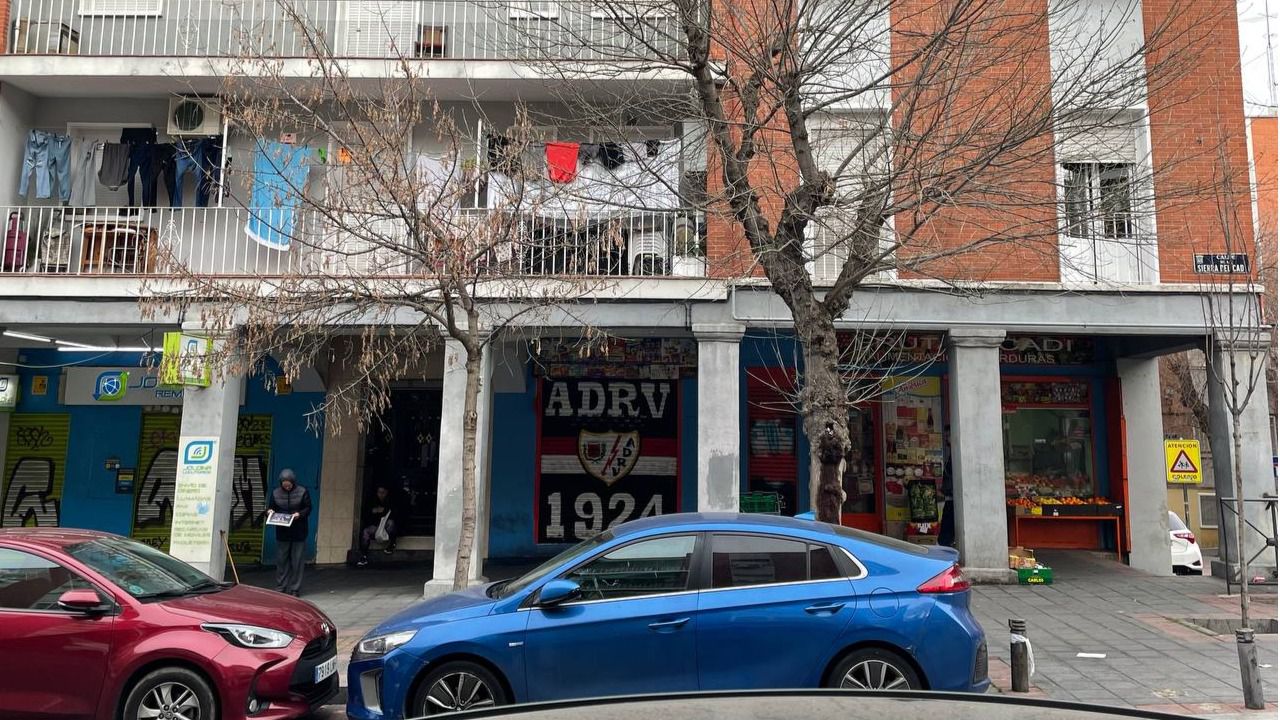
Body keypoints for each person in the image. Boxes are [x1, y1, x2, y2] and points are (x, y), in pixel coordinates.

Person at [268, 468, 311, 596]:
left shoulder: (302, 491)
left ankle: (295, 588)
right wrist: (269, 512)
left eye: (289, 485)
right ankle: (281, 586)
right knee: (282, 560)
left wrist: (300, 514)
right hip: (282, 532)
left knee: (297, 561)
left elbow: (308, 508)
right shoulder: (275, 493)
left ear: (293, 482)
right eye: (284, 485)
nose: (286, 487)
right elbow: (271, 507)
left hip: (299, 531)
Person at [357, 484, 405, 567]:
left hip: (387, 526)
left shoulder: (392, 501)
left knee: (391, 523)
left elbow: (398, 515)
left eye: (383, 493)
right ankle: (363, 556)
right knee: (365, 532)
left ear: (387, 493)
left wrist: (384, 511)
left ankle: (392, 543)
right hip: (375, 525)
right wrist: (373, 511)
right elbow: (365, 514)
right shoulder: (372, 500)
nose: (381, 495)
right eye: (379, 492)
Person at [937, 425, 956, 548]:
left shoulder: (956, 455)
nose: (946, 439)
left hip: (953, 498)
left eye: (948, 436)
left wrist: (946, 490)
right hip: (950, 497)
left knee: (947, 530)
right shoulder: (953, 454)